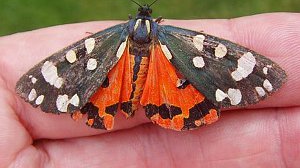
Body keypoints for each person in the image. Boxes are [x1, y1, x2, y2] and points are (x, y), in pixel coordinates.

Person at [0, 13, 299, 167]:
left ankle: (115, 104)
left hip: (138, 76)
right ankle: (159, 105)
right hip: (167, 88)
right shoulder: (178, 38)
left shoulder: (107, 39)